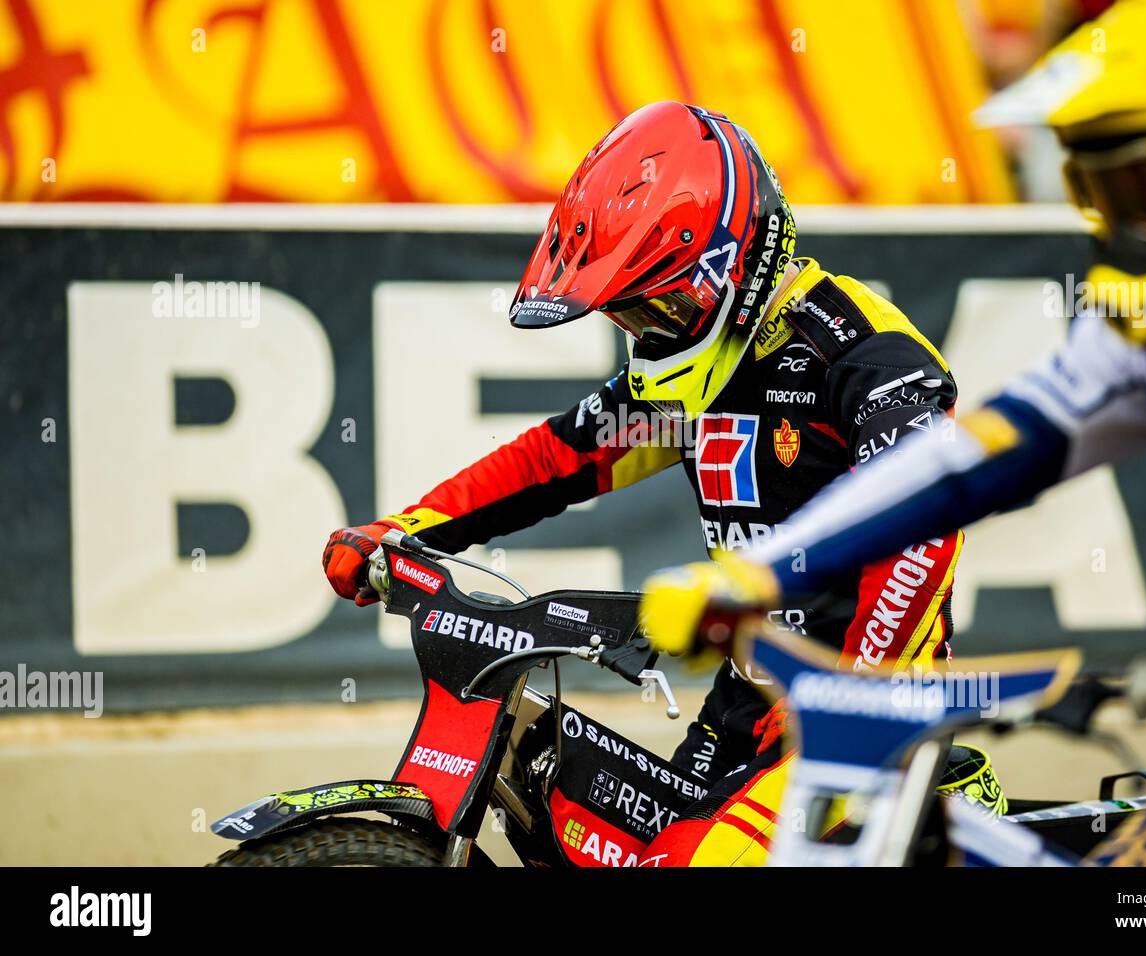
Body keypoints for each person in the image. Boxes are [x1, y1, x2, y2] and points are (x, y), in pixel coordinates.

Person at [640, 0, 1146, 865]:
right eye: (1098, 196)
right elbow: (968, 459)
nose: (1132, 235)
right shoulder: (1143, 330)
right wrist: (757, 572)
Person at [322, 100, 1001, 866]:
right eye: (632, 316)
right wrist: (405, 528)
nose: (649, 334)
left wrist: (855, 698)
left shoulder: (862, 350)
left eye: (662, 306)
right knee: (566, 813)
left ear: (735, 261)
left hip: (871, 722)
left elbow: (926, 525)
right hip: (743, 711)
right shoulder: (688, 374)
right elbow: (555, 460)